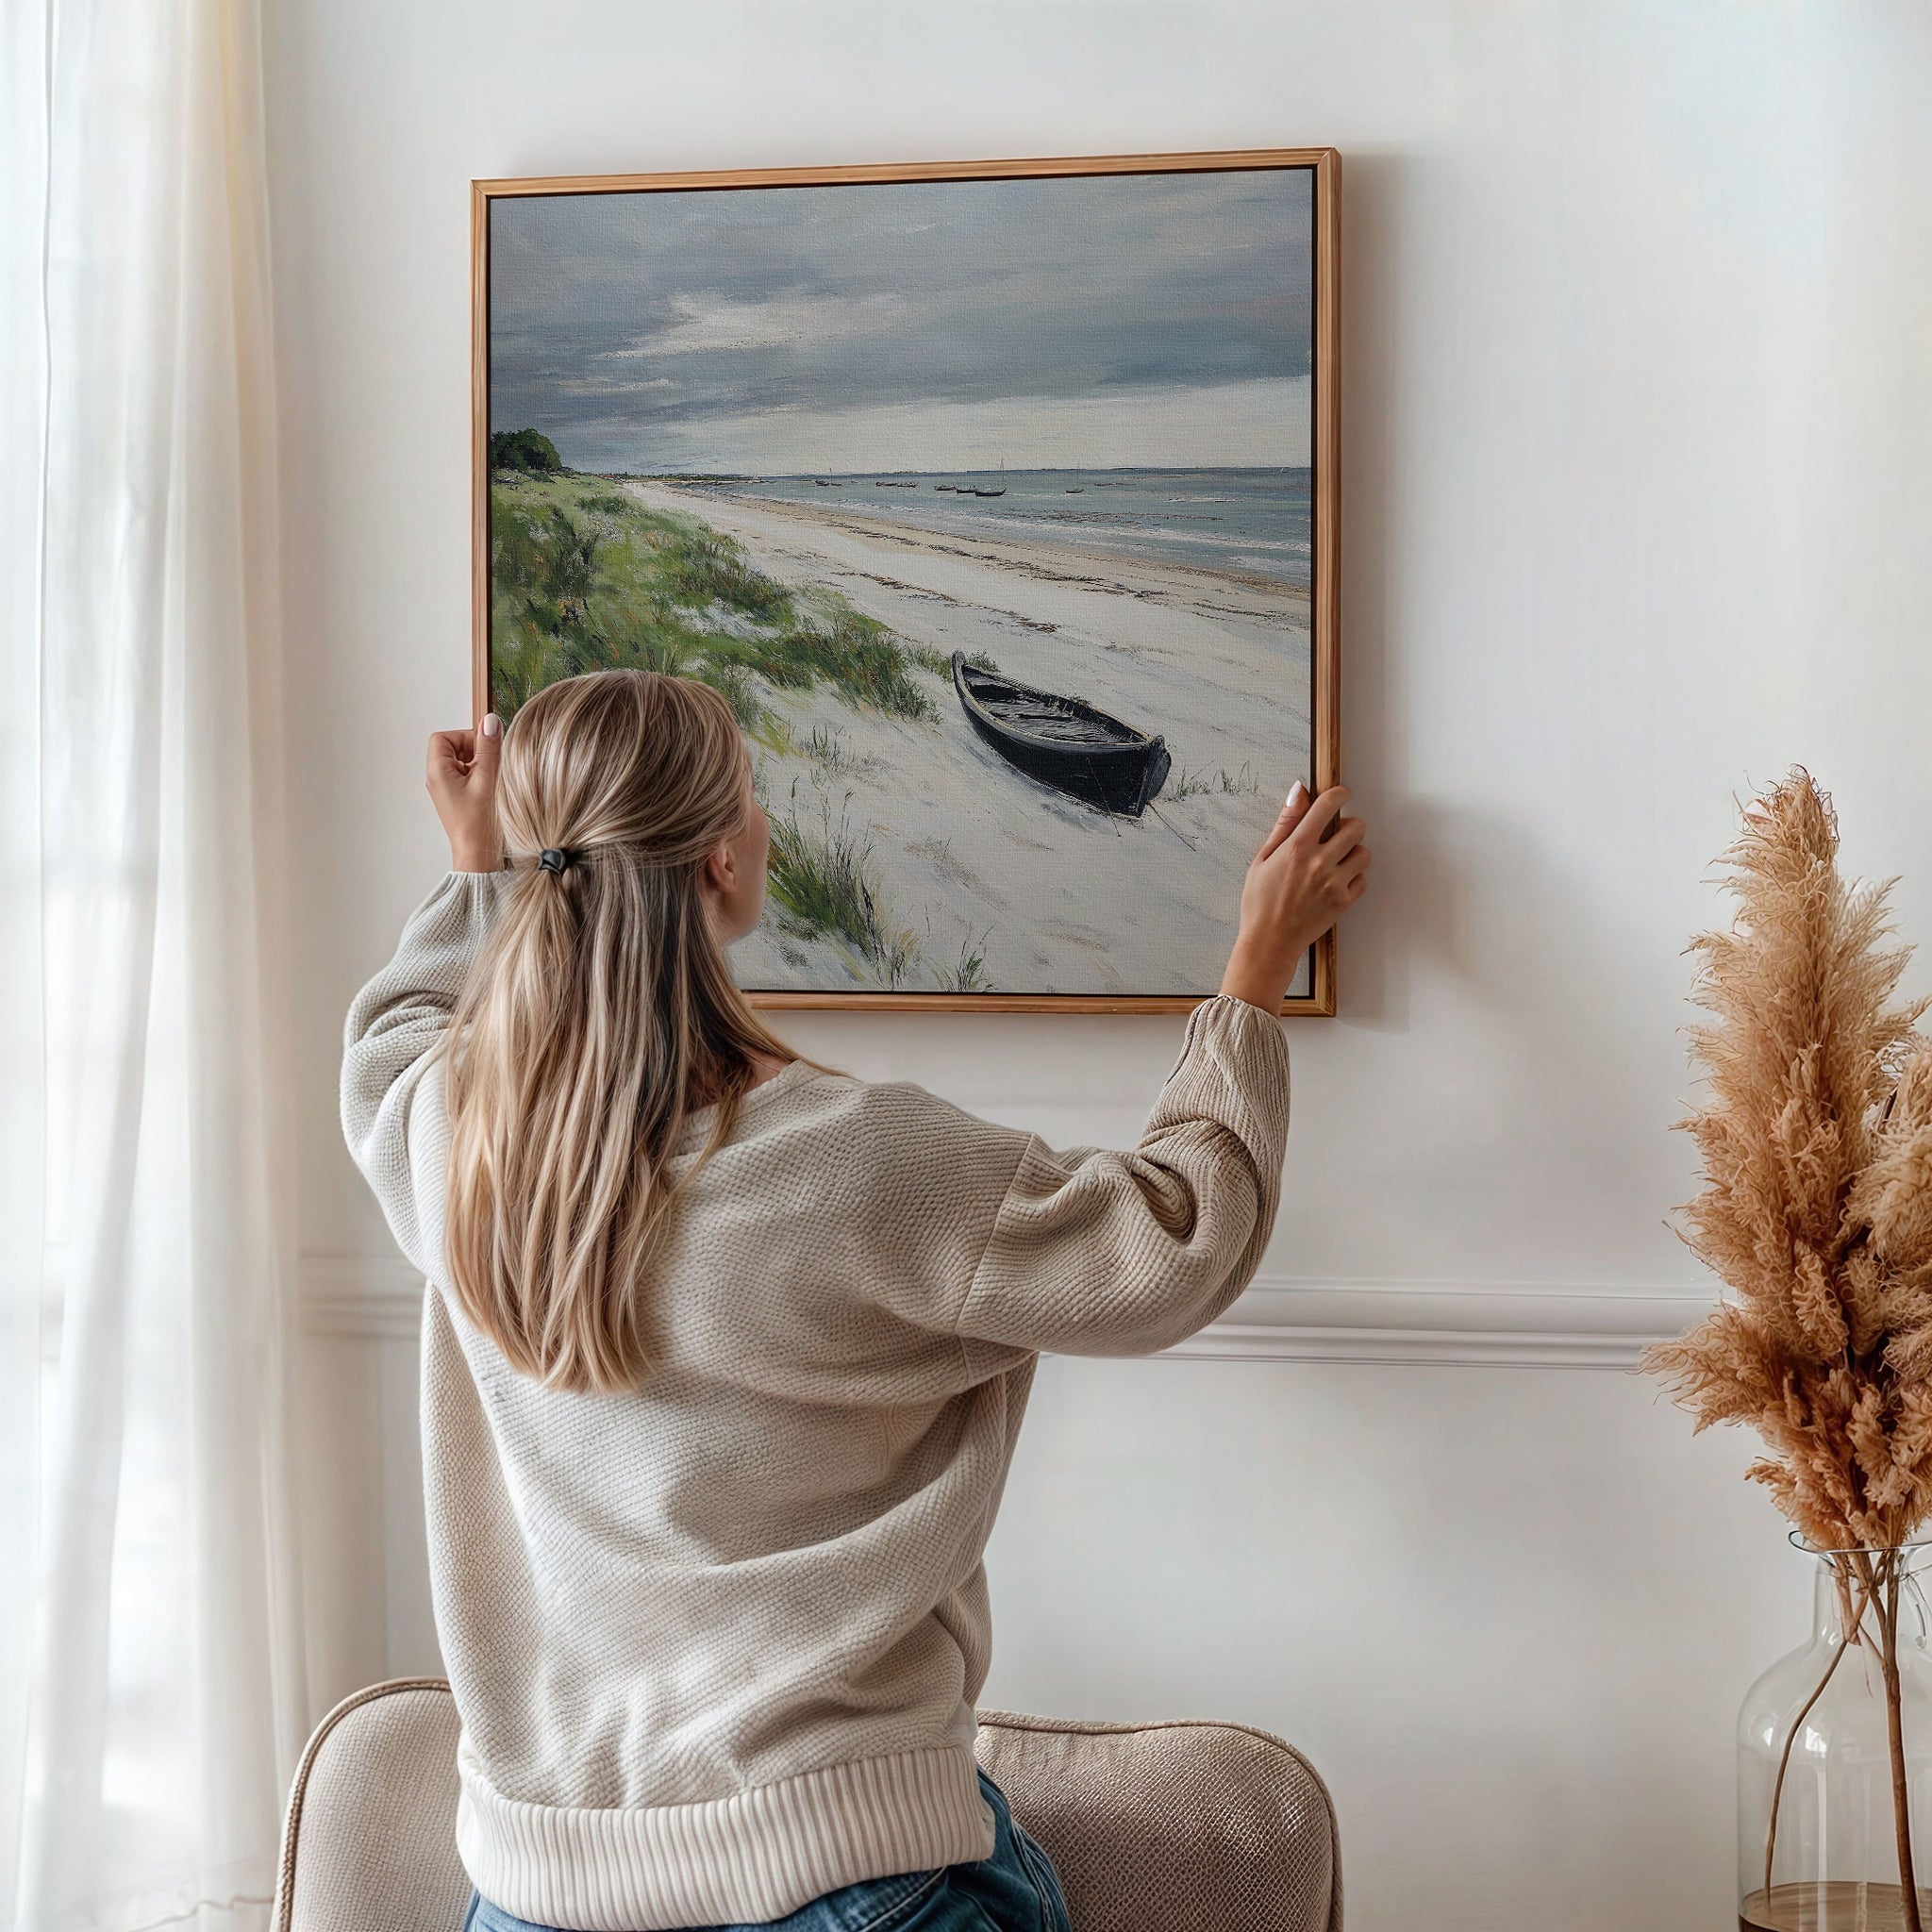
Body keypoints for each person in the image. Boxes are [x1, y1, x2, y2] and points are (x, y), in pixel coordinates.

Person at [341, 669, 1370, 1932]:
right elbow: (1172, 1239)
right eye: (756, 797)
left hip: (531, 1899)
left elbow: (390, 1034)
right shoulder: (854, 1162)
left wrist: (477, 867)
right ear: (722, 866)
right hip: (840, 1882)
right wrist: (1256, 967)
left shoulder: (453, 1143)